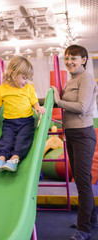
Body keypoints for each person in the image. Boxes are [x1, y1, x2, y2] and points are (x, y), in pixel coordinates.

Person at [52, 45, 97, 240]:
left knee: (83, 181)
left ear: (84, 60)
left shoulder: (86, 78)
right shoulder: (72, 80)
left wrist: (57, 100)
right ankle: (89, 219)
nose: (69, 61)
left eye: (74, 58)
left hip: (83, 134)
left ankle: (84, 228)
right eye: (67, 58)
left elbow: (81, 107)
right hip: (71, 134)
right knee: (81, 180)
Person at [0, 56, 46, 173]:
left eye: (28, 78)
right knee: (5, 140)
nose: (26, 81)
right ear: (13, 73)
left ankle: (14, 160)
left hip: (26, 122)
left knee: (23, 140)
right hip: (9, 122)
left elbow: (34, 102)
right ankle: (1, 159)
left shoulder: (28, 88)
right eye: (24, 78)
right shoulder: (1, 89)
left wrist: (38, 108)